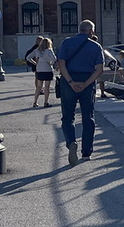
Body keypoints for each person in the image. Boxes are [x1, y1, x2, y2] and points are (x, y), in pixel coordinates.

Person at [55, 20, 104, 166]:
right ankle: (86, 152)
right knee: (88, 117)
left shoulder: (66, 42)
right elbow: (99, 69)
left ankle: (71, 142)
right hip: (87, 81)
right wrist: (85, 84)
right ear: (91, 31)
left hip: (68, 80)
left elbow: (61, 64)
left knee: (67, 116)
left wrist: (71, 82)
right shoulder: (96, 46)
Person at [27, 37, 57, 107]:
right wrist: (51, 63)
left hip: (39, 69)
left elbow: (28, 57)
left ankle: (35, 102)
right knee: (47, 87)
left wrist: (35, 63)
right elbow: (54, 58)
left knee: (39, 87)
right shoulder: (49, 50)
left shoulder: (37, 50)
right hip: (48, 69)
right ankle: (46, 102)